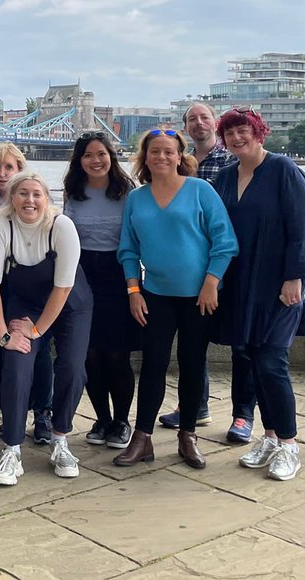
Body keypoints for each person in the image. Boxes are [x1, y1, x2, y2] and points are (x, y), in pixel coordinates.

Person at [113, 129, 238, 470]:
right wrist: (134, 291)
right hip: (155, 295)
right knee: (152, 365)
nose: (162, 157)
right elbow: (128, 250)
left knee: (192, 363)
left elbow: (225, 241)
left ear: (180, 156)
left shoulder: (200, 190)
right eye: (155, 151)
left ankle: (188, 435)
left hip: (200, 297)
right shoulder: (136, 198)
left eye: (169, 151)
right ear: (145, 157)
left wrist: (212, 282)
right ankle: (142, 437)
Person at [214, 107, 305, 482]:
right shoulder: (226, 176)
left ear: (259, 132)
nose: (236, 138)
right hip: (240, 283)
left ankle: (290, 446)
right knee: (250, 358)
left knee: (271, 363)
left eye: (243, 130)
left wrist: (295, 277)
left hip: (279, 284)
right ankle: (271, 437)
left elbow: (303, 227)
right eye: (229, 133)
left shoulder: (283, 170)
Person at [0, 171, 89, 486]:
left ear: (46, 199)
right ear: (12, 198)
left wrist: (37, 331)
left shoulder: (61, 226)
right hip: (25, 304)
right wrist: (3, 336)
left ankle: (60, 439)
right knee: (16, 365)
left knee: (72, 367)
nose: (30, 200)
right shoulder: (0, 226)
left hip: (70, 305)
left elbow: (63, 288)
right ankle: (12, 448)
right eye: (23, 193)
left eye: (36, 194)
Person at [160, 102, 257, 445]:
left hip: (233, 262)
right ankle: (196, 406)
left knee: (242, 343)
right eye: (192, 119)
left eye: (205, 117)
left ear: (214, 123)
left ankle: (243, 415)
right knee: (194, 341)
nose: (199, 123)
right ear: (185, 127)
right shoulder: (182, 162)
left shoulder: (232, 159)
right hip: (193, 266)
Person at [63, 131, 139, 451]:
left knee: (117, 354)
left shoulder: (128, 192)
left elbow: (136, 240)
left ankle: (122, 421)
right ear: (79, 161)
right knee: (90, 354)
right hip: (82, 276)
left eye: (101, 154)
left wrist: (134, 287)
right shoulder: (73, 191)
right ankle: (102, 419)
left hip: (118, 274)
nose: (96, 161)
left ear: (111, 156)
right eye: (88, 155)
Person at [0, 142, 55, 445]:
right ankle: (12, 412)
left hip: (32, 285)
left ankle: (43, 412)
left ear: (20, 170)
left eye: (9, 167)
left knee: (40, 349)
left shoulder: (33, 199)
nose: (2, 173)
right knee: (7, 348)